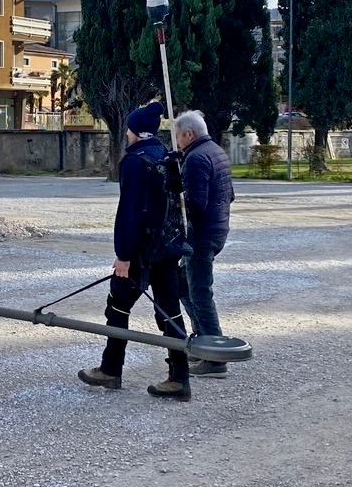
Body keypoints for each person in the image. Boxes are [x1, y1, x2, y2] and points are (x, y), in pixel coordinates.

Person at [78, 101, 191, 401]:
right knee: (169, 311)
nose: (126, 134)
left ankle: (110, 370)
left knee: (117, 306)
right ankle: (180, 377)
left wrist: (123, 255)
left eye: (128, 129)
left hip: (142, 251)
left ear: (136, 132)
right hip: (168, 248)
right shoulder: (168, 157)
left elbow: (130, 212)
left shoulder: (135, 162)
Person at [173, 110, 235, 378]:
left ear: (189, 134)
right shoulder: (216, 151)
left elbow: (195, 204)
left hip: (201, 235)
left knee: (199, 291)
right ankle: (201, 343)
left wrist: (176, 199)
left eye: (177, 137)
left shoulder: (196, 159)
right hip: (217, 229)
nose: (177, 143)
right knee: (183, 286)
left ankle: (215, 356)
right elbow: (230, 195)